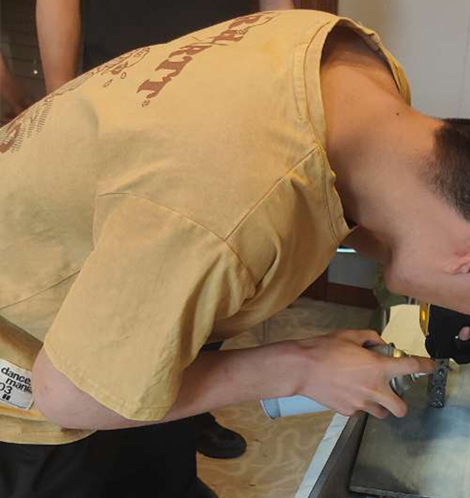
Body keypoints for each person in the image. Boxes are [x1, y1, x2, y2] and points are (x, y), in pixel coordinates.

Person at [0, 10, 470, 498]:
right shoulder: (227, 211)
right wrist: (298, 365)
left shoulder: (355, 72)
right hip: (29, 364)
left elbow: (326, 204)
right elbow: (71, 395)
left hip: (134, 311)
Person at [35, 0, 295, 460]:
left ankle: (186, 416)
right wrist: (60, 97)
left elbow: (279, 8)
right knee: (125, 275)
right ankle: (120, 427)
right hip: (125, 90)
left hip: (229, 94)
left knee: (210, 272)